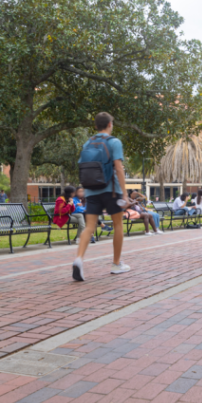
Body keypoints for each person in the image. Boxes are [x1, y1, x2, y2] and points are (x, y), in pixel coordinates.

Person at [72, 112, 130, 281]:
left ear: (96, 126)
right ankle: (116, 264)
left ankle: (79, 259)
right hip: (111, 190)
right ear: (110, 124)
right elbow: (118, 168)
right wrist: (125, 193)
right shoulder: (114, 142)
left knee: (89, 227)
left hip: (91, 191)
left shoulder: (87, 143)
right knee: (118, 225)